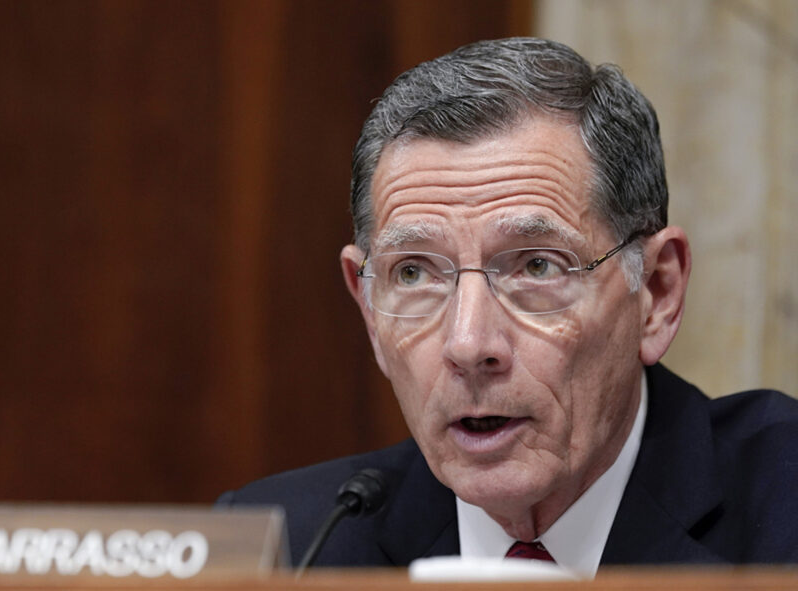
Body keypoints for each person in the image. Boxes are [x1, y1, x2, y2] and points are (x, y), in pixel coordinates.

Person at [217, 38, 798, 575]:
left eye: (536, 266)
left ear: (657, 292)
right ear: (369, 308)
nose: (468, 346)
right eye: (414, 273)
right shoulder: (285, 550)